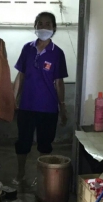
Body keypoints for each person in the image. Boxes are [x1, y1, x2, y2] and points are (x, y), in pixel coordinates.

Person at [12, 12, 68, 184]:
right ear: (35, 26)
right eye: (40, 24)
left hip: (48, 108)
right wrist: (13, 99)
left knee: (45, 144)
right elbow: (20, 76)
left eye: (48, 24)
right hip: (26, 106)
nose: (44, 27)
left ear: (54, 28)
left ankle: (42, 177)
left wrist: (62, 106)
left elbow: (59, 82)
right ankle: (20, 174)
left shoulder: (57, 53)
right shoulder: (27, 49)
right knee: (23, 143)